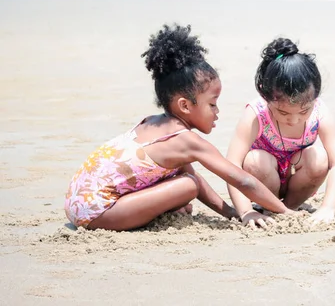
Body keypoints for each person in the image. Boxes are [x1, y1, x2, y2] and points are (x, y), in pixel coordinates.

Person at [64, 24, 293, 231]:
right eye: (212, 104)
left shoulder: (152, 122)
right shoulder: (185, 141)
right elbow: (242, 180)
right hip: (98, 213)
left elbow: (193, 176)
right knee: (186, 186)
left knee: (185, 182)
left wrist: (232, 213)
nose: (217, 111)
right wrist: (286, 213)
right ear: (184, 105)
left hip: (78, 202)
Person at [226, 38, 335, 229]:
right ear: (265, 96)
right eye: (283, 112)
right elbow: (231, 166)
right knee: (254, 160)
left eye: (303, 111)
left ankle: (289, 208)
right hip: (263, 178)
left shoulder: (321, 113)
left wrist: (328, 208)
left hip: (299, 178)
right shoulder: (255, 114)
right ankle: (269, 206)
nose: (294, 120)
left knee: (319, 158)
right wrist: (245, 211)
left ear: (315, 97)